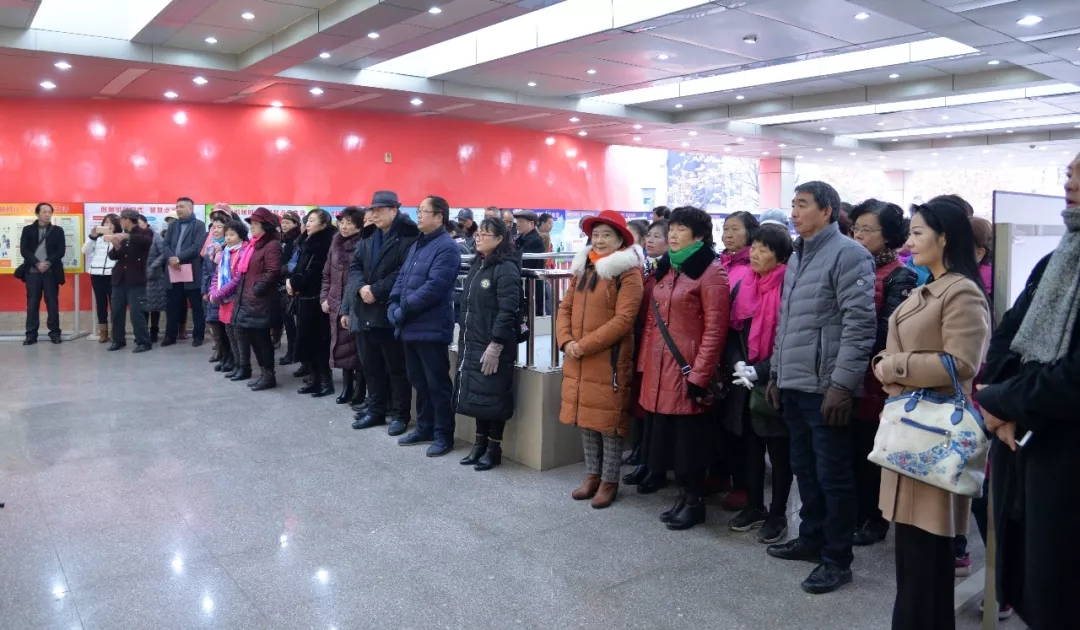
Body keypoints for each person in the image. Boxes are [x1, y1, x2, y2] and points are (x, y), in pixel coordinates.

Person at [874, 196, 990, 630]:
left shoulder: (960, 291)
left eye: (918, 233)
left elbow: (962, 363)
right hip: (912, 430)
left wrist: (894, 367)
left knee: (926, 560)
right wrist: (887, 366)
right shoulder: (929, 286)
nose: (909, 242)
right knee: (913, 559)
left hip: (934, 435)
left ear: (944, 238)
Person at [975, 152, 1080, 630]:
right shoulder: (1056, 258)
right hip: (1027, 446)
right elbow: (1008, 333)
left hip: (1064, 449)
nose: (1069, 181)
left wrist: (1001, 402)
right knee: (1034, 585)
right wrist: (996, 396)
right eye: (1069, 172)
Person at [764, 180, 875, 595]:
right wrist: (776, 374)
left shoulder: (849, 254)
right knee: (805, 470)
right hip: (794, 383)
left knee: (833, 475)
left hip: (825, 387)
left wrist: (842, 385)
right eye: (792, 205)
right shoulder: (798, 254)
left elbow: (860, 324)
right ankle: (811, 538)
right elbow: (787, 321)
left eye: (803, 205)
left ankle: (837, 559)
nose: (794, 213)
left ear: (827, 211)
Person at [639, 206, 729, 529]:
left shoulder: (711, 272)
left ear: (700, 235)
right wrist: (644, 364)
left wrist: (700, 375)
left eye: (681, 229)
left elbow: (715, 330)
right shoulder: (667, 267)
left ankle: (694, 502)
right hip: (659, 367)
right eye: (672, 229)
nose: (674, 235)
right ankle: (682, 496)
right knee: (668, 439)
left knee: (688, 442)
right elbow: (653, 323)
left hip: (687, 368)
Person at [557, 211, 644, 509]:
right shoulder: (583, 268)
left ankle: (609, 481)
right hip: (578, 356)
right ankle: (592, 475)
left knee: (609, 422)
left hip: (609, 359)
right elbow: (565, 308)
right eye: (596, 234)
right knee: (586, 418)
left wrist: (583, 345)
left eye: (607, 234)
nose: (600, 240)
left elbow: (624, 320)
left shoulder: (628, 273)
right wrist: (566, 340)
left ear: (621, 240)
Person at [847, 199, 917, 547]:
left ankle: (874, 518)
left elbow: (886, 333)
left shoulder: (901, 276)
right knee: (849, 450)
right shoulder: (849, 267)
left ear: (888, 235)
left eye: (866, 229)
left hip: (876, 379)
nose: (858, 235)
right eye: (855, 228)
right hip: (846, 373)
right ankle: (855, 513)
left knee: (870, 450)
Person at [725, 223, 794, 543]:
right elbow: (733, 332)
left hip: (776, 382)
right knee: (750, 449)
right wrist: (737, 363)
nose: (754, 253)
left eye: (764, 249)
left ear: (780, 257)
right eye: (754, 247)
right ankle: (755, 506)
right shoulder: (744, 285)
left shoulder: (788, 289)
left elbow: (790, 340)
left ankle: (778, 514)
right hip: (744, 381)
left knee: (779, 454)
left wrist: (762, 370)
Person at [388, 195, 462, 457]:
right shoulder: (419, 243)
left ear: (439, 216)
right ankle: (424, 427)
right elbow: (402, 278)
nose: (417, 215)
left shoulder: (447, 247)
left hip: (432, 327)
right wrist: (393, 304)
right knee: (418, 381)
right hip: (410, 325)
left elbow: (435, 287)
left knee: (437, 384)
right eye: (417, 211)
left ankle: (443, 435)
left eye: (423, 211)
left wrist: (403, 309)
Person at [345, 191, 418, 436]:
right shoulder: (369, 235)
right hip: (365, 308)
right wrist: (361, 288)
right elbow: (355, 266)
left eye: (379, 210)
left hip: (389, 310)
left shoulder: (409, 236)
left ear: (394, 210)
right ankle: (375, 410)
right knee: (371, 366)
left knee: (396, 369)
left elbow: (404, 272)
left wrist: (375, 290)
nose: (374, 214)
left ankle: (400, 415)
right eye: (372, 210)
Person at [456, 217, 521, 471]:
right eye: (478, 233)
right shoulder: (479, 263)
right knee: (478, 395)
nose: (478, 237)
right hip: (474, 340)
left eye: (485, 234)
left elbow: (508, 309)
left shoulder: (506, 268)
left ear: (500, 239)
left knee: (494, 394)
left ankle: (494, 448)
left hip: (494, 342)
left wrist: (496, 344)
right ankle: (479, 443)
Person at [715, 210, 762, 512]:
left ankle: (743, 484)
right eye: (725, 228)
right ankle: (722, 474)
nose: (728, 234)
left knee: (741, 423)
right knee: (721, 421)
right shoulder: (721, 263)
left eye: (735, 229)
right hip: (719, 354)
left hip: (741, 356)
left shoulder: (751, 269)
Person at [623, 219, 668, 477]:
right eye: (649, 235)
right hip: (640, 337)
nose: (650, 240)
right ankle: (641, 449)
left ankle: (649, 456)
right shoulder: (642, 266)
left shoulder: (667, 270)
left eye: (656, 236)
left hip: (656, 343)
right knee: (638, 398)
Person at [232, 208, 283, 391]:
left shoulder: (272, 245)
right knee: (253, 337)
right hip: (249, 299)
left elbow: (273, 271)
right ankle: (263, 373)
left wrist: (258, 288)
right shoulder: (254, 244)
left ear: (265, 226)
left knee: (262, 339)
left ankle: (269, 376)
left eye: (255, 224)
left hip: (261, 300)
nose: (251, 227)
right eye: (251, 224)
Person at [289, 208, 337, 397]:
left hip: (318, 300)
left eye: (312, 220)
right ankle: (314, 380)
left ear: (323, 224)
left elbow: (314, 273)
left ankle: (326, 382)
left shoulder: (324, 245)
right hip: (305, 299)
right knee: (308, 341)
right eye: (307, 220)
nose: (308, 223)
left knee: (320, 342)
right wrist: (292, 281)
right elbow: (299, 268)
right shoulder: (306, 241)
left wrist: (294, 282)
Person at [322, 207, 366, 407]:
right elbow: (326, 275)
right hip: (335, 302)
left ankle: (360, 390)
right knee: (341, 347)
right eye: (342, 222)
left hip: (354, 304)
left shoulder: (362, 245)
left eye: (350, 222)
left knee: (357, 349)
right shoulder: (335, 244)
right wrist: (325, 298)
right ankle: (347, 388)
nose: (344, 226)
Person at [105, 209, 154, 353]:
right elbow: (113, 256)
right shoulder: (122, 234)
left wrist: (126, 236)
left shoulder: (144, 232)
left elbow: (147, 242)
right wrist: (116, 248)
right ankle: (118, 340)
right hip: (119, 278)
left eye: (121, 219)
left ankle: (143, 342)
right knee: (116, 311)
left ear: (127, 219)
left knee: (136, 312)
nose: (120, 222)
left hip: (136, 278)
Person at [161, 196, 207, 347]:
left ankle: (198, 336)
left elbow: (197, 247)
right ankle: (170, 336)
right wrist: (171, 258)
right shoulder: (173, 225)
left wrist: (178, 258)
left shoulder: (199, 225)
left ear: (190, 208)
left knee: (196, 306)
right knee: (172, 306)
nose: (178, 209)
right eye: (177, 207)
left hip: (191, 271)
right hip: (174, 271)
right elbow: (165, 244)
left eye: (181, 207)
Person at [20, 202, 66, 345]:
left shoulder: (57, 231)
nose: (47, 214)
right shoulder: (28, 230)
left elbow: (61, 251)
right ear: (37, 213)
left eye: (49, 212)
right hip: (32, 273)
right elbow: (24, 250)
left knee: (52, 303)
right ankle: (31, 334)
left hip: (51, 272)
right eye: (44, 212)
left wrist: (47, 262)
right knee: (32, 304)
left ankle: (55, 333)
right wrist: (37, 263)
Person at [208, 220, 249, 378]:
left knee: (239, 335)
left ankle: (243, 366)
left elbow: (237, 279)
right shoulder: (226, 252)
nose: (228, 238)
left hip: (236, 298)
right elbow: (217, 276)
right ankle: (235, 364)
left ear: (241, 235)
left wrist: (219, 294)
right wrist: (213, 292)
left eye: (232, 234)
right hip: (224, 300)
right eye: (226, 235)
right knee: (229, 333)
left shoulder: (244, 251)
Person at [84, 213, 120, 344]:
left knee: (114, 303)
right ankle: (103, 331)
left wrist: (115, 241)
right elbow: (85, 250)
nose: (108, 225)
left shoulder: (120, 237)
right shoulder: (97, 238)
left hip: (112, 274)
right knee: (100, 302)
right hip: (96, 273)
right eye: (105, 222)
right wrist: (92, 237)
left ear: (116, 225)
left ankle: (115, 332)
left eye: (111, 223)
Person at [202, 214, 229, 366]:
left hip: (224, 290)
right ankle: (219, 348)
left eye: (219, 227)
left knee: (223, 323)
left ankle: (226, 352)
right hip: (211, 290)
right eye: (214, 227)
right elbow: (205, 272)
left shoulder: (228, 248)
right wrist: (204, 291)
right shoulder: (210, 248)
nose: (216, 230)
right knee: (212, 320)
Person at [278, 211, 303, 366]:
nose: (284, 225)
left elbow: (291, 264)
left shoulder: (296, 241)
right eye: (283, 222)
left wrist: (280, 271)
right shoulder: (283, 239)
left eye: (288, 222)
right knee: (287, 321)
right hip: (283, 285)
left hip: (291, 286)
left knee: (292, 322)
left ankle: (293, 352)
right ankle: (292, 351)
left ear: (296, 224)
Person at [141, 215, 169, 344]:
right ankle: (143, 332)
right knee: (142, 305)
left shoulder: (155, 236)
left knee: (154, 306)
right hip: (139, 276)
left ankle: (154, 331)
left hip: (154, 276)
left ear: (146, 223)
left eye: (140, 223)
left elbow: (164, 253)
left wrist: (153, 265)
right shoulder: (133, 237)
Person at [515, 209, 546, 314]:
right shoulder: (520, 238)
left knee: (530, 315)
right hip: (523, 286)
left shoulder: (535, 241)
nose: (518, 225)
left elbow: (524, 262)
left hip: (532, 287)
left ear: (531, 223)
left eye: (521, 221)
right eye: (517, 221)